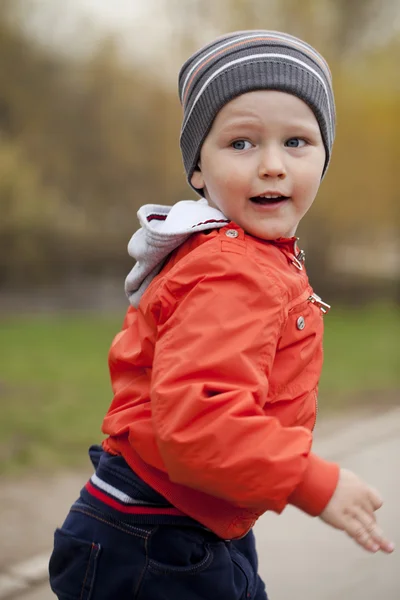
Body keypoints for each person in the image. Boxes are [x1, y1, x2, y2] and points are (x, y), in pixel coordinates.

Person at [49, 30, 394, 600]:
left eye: (298, 142)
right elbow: (200, 422)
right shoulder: (230, 271)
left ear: (325, 159)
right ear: (198, 170)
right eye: (241, 144)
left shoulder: (253, 255)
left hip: (192, 519)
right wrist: (314, 482)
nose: (273, 166)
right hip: (154, 538)